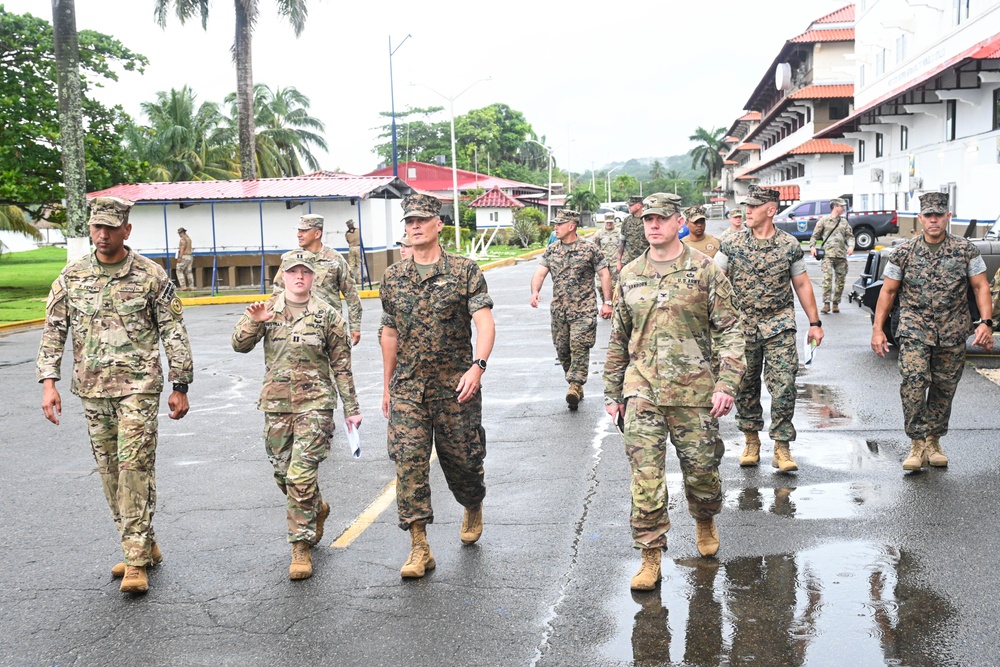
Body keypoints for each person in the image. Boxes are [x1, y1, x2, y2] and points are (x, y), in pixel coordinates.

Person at [36, 196, 193, 594]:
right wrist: (48, 382)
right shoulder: (72, 277)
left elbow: (173, 332)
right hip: (92, 390)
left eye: (109, 228)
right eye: (95, 228)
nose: (102, 235)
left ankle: (136, 560)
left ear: (126, 229)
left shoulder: (151, 276)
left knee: (133, 468)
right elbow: (54, 331)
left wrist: (180, 385)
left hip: (138, 390)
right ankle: (143, 542)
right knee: (109, 473)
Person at [604, 193, 745, 591]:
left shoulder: (705, 270)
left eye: (662, 219)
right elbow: (619, 338)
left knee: (701, 473)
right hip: (642, 388)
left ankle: (704, 516)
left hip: (695, 391)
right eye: (648, 218)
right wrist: (613, 393)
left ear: (678, 221)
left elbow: (731, 330)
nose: (653, 225)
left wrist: (727, 383)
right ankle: (650, 556)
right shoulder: (629, 273)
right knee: (646, 476)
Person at [380, 194, 496, 579]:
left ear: (438, 224)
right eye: (409, 221)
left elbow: (483, 321)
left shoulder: (464, 271)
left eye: (421, 220)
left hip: (455, 388)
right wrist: (387, 386)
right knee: (409, 463)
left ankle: (472, 501)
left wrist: (477, 367)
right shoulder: (394, 277)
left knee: (463, 462)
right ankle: (419, 545)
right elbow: (390, 332)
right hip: (409, 390)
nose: (414, 226)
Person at [232, 250, 362, 580]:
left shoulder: (328, 315)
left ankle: (300, 546)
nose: (299, 276)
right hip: (276, 405)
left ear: (314, 277)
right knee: (282, 475)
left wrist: (352, 409)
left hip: (316, 405)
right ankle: (316, 507)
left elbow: (342, 366)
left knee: (301, 475)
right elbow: (238, 344)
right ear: (283, 276)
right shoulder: (266, 310)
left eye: (305, 271)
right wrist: (253, 323)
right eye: (293, 272)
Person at [872, 192, 993, 470]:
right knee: (914, 383)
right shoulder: (903, 252)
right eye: (929, 215)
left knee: (944, 387)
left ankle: (933, 440)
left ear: (948, 217)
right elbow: (888, 291)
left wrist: (985, 322)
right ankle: (916, 443)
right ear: (920, 218)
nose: (934, 220)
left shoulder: (965, 250)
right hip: (914, 329)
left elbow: (980, 286)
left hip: (952, 329)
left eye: (939, 215)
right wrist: (878, 330)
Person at [715, 185, 824, 473]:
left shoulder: (789, 245)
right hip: (742, 328)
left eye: (753, 206)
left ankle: (782, 447)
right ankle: (751, 441)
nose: (746, 211)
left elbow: (801, 283)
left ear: (771, 210)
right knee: (746, 386)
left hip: (779, 325)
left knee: (785, 384)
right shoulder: (732, 244)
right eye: (746, 206)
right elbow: (715, 281)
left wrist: (814, 323)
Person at [530, 209, 614, 409]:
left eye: (560, 224)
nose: (555, 228)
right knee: (562, 350)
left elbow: (604, 274)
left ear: (572, 225)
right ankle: (574, 383)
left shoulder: (590, 249)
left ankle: (576, 385)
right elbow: (540, 273)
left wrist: (607, 302)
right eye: (555, 224)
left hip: (583, 310)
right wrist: (534, 291)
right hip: (559, 311)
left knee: (579, 345)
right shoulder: (552, 250)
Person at [274, 214, 363, 346]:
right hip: (299, 329)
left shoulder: (335, 259)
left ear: (317, 234)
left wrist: (355, 326)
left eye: (304, 231)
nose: (299, 234)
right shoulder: (291, 260)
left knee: (336, 366)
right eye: (298, 230)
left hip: (330, 328)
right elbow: (277, 293)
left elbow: (352, 295)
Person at [809, 198, 855, 313]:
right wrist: (812, 247)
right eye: (841, 206)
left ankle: (836, 303)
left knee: (840, 281)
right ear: (835, 207)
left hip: (841, 256)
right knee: (827, 279)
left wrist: (851, 246)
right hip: (828, 255)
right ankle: (826, 304)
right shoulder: (824, 221)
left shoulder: (844, 222)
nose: (843, 208)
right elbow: (814, 236)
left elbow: (850, 236)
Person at [592, 211, 623, 300]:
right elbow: (596, 249)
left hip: (615, 263)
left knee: (615, 286)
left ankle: (614, 306)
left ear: (614, 221)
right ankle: (605, 302)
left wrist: (620, 261)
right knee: (600, 285)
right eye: (607, 222)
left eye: (611, 222)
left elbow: (622, 248)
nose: (609, 224)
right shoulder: (599, 233)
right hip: (603, 264)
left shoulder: (619, 233)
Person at [619, 196, 649, 270]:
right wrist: (618, 261)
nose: (629, 207)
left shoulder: (648, 220)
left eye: (631, 205)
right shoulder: (626, 221)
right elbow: (622, 242)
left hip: (645, 260)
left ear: (638, 206)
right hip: (628, 261)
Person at [176, 227, 195, 291]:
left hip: (184, 257)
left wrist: (180, 257)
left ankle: (183, 286)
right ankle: (191, 286)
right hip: (190, 257)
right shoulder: (189, 239)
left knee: (179, 270)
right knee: (189, 272)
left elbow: (182, 248)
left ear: (182, 232)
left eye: (179, 233)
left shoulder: (183, 239)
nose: (179, 234)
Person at [345, 218, 362, 284]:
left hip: (351, 248)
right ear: (352, 224)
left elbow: (347, 241)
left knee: (351, 265)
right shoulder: (358, 231)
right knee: (359, 264)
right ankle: (360, 280)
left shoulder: (347, 233)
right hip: (358, 247)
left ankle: (351, 279)